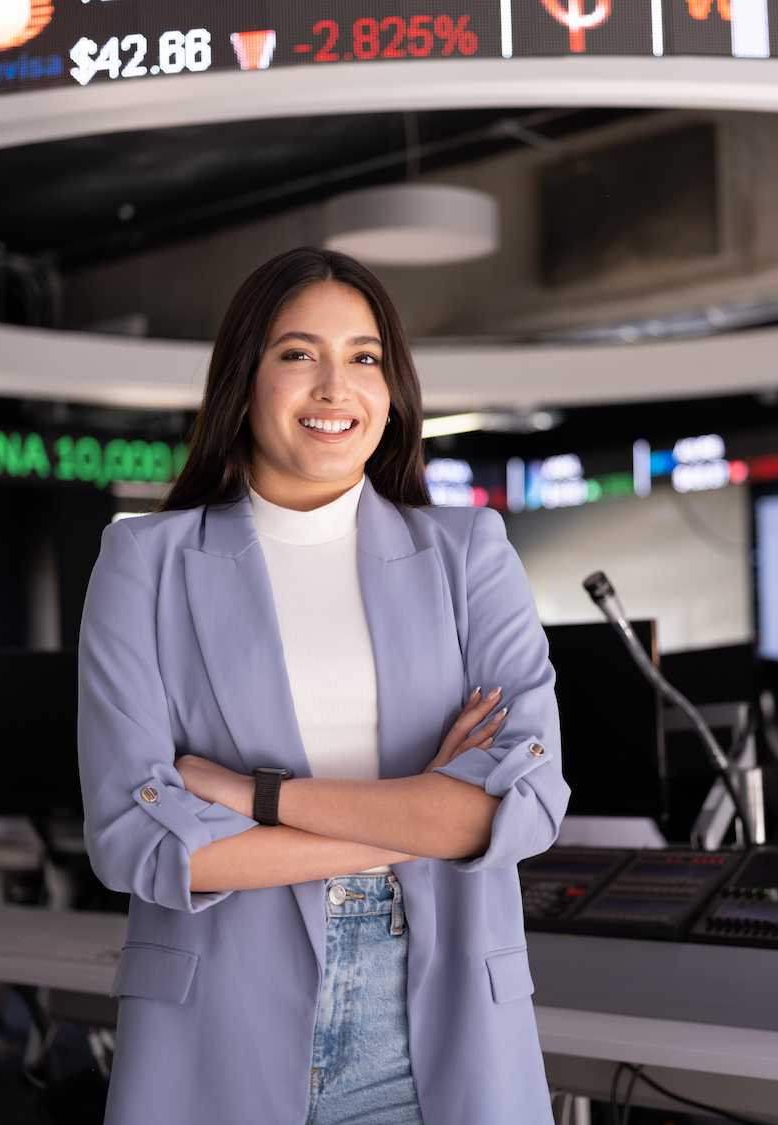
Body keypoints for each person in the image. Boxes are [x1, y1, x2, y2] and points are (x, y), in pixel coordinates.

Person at [77, 246, 570, 1125]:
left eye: (365, 357)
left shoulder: (467, 554)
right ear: (246, 377)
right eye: (299, 353)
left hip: (441, 1017)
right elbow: (140, 840)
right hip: (217, 1028)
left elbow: (519, 807)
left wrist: (257, 798)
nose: (335, 387)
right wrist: (418, 815)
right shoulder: (143, 562)